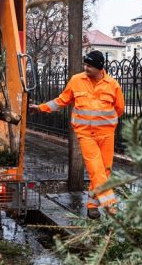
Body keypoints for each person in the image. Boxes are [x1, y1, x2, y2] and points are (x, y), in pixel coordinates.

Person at [29, 50, 125, 219]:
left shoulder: (113, 85)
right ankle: (111, 206)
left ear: (100, 68)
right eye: (85, 64)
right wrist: (41, 108)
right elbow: (62, 100)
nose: (85, 68)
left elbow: (119, 109)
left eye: (89, 65)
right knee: (96, 170)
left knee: (105, 171)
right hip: (85, 134)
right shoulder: (76, 80)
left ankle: (92, 206)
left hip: (106, 134)